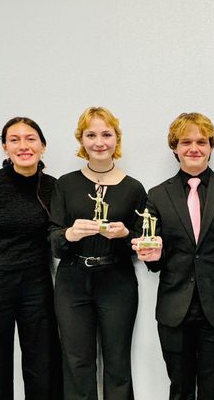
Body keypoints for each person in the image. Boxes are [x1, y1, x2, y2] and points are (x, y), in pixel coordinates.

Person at [132, 112, 214, 400]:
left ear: (211, 146)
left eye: (201, 141)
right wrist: (151, 255)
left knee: (213, 391)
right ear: (174, 147)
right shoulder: (157, 195)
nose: (194, 148)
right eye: (185, 141)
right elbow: (155, 258)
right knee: (180, 389)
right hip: (175, 309)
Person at [0, 117, 62, 399]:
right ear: (5, 148)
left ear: (42, 146)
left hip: (36, 282)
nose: (23, 146)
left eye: (30, 139)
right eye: (14, 140)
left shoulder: (53, 188)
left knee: (43, 363)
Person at [50, 107, 146, 400]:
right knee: (77, 362)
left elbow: (145, 243)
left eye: (106, 134)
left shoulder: (133, 188)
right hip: (72, 281)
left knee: (117, 362)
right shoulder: (65, 184)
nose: (99, 142)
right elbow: (53, 239)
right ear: (81, 140)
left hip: (117, 280)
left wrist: (125, 235)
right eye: (91, 135)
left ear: (117, 139)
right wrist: (70, 233)